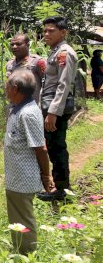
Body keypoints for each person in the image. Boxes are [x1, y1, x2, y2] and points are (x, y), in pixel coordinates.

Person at [4, 70, 54, 254]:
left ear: (15, 88)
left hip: (23, 179)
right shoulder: (18, 109)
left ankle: (27, 256)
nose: (5, 88)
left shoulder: (28, 114)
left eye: (7, 85)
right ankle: (20, 250)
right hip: (15, 177)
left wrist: (46, 175)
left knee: (23, 219)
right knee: (17, 217)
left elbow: (40, 148)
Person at [37, 16, 78, 201]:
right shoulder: (55, 51)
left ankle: (62, 189)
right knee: (54, 147)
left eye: (51, 30)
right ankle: (61, 187)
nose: (46, 34)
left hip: (56, 108)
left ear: (63, 32)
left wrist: (53, 112)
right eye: (44, 30)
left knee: (57, 147)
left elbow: (63, 84)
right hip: (50, 105)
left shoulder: (64, 53)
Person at [6, 33, 46, 104]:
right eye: (12, 44)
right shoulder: (10, 64)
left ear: (27, 45)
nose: (14, 47)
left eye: (18, 44)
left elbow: (48, 85)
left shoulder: (37, 62)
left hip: (32, 106)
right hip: (13, 107)